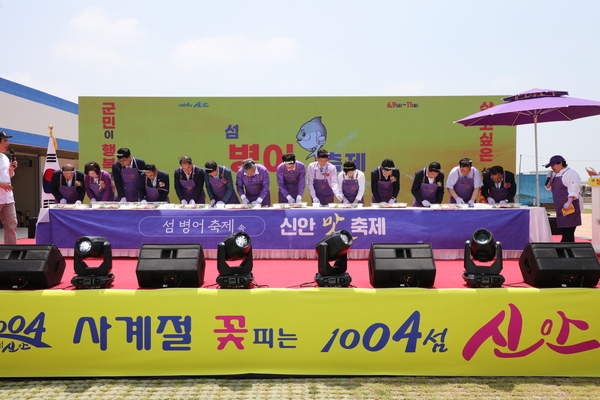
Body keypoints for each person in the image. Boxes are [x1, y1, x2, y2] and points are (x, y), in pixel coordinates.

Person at [544, 155, 583, 242]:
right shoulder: (555, 175)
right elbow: (550, 188)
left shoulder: (571, 174)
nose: (552, 168)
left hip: (570, 207)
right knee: (563, 230)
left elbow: (574, 188)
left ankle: (566, 251)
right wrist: (549, 180)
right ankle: (566, 251)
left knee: (568, 232)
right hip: (560, 207)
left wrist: (569, 201)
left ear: (560, 163)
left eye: (553, 165)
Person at [0, 131, 18, 244]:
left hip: (8, 198)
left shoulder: (6, 158)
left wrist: (11, 169)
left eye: (7, 140)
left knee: (12, 224)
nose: (8, 143)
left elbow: (8, 177)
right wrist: (1, 184)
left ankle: (11, 252)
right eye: (5, 141)